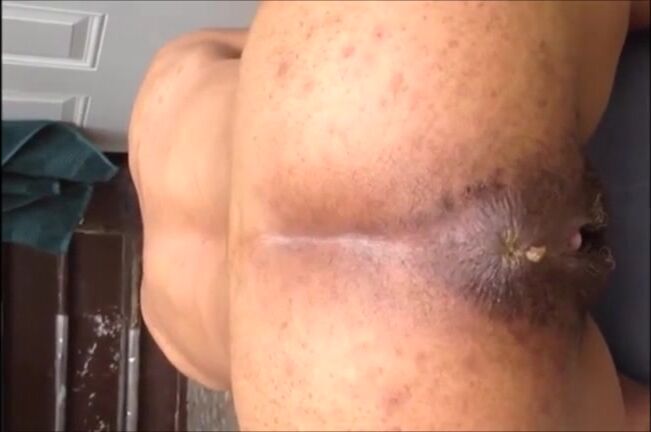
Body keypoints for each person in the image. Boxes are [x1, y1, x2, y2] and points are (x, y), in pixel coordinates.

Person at [129, 1, 650, 430]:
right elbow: (278, 51)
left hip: (374, 391)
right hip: (388, 74)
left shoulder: (180, 342)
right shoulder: (169, 81)